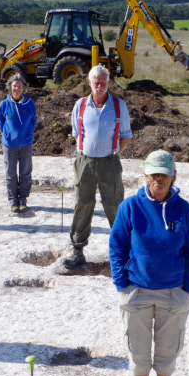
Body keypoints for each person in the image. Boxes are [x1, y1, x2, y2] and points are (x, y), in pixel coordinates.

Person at [109, 150, 189, 376]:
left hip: (174, 292)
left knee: (167, 349)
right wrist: (121, 284)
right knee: (137, 350)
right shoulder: (129, 207)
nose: (158, 180)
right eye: (154, 174)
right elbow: (117, 246)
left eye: (164, 174)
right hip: (136, 290)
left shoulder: (183, 210)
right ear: (145, 175)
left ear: (174, 176)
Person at [61, 65, 132, 268]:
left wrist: (114, 153)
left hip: (109, 162)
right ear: (89, 83)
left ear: (108, 83)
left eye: (103, 82)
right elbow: (76, 133)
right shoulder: (80, 105)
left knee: (115, 205)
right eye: (96, 83)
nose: (100, 86)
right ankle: (77, 250)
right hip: (85, 162)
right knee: (82, 203)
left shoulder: (119, 106)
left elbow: (126, 135)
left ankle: (123, 253)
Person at [0, 74, 37, 213]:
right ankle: (13, 201)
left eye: (19, 86)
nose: (17, 88)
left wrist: (28, 133)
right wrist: (7, 135)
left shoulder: (29, 103)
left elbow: (34, 120)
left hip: (26, 144)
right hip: (9, 145)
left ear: (23, 87)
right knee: (10, 173)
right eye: (14, 86)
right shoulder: (4, 104)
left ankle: (23, 200)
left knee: (25, 173)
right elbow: (1, 122)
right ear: (10, 87)